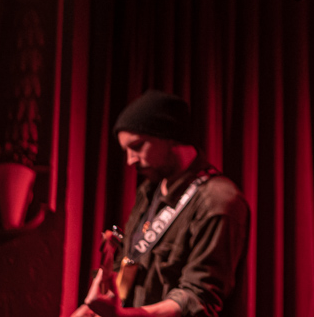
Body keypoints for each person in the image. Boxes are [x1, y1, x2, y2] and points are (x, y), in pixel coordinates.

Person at [71, 90, 249, 317]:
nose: (130, 160)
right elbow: (130, 261)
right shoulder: (148, 191)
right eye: (126, 151)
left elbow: (198, 300)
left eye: (137, 146)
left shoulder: (218, 201)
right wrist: (92, 310)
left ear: (170, 135)